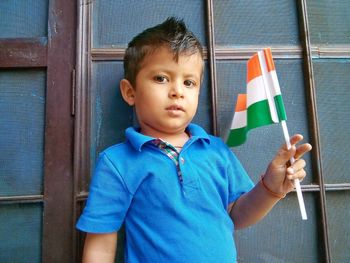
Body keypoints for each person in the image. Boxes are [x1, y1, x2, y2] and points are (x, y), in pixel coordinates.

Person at [76, 17, 312, 263]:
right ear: (130, 92)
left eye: (189, 82)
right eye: (161, 78)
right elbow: (101, 244)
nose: (177, 91)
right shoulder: (117, 162)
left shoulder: (216, 150)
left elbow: (238, 216)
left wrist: (271, 188)